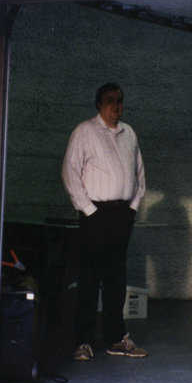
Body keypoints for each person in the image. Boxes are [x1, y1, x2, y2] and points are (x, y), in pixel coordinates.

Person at [61, 82, 148, 360]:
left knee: (116, 280)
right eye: (110, 100)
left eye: (120, 100)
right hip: (94, 215)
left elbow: (140, 175)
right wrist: (89, 210)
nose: (116, 106)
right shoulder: (84, 132)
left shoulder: (129, 133)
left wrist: (132, 208)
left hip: (122, 215)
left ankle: (115, 338)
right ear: (99, 104)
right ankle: (83, 341)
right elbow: (70, 172)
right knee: (89, 279)